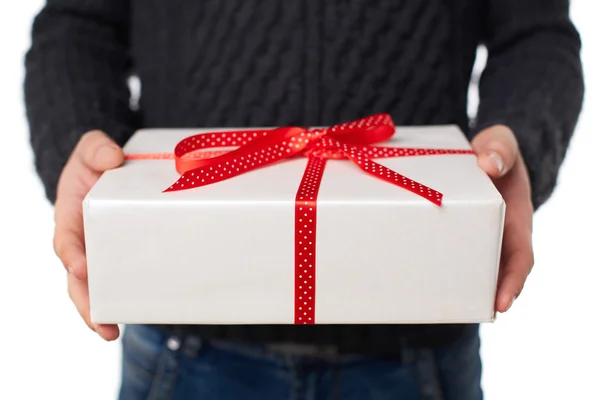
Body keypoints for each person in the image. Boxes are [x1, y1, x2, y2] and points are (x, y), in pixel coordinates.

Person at [24, 1, 583, 399]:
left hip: (419, 358)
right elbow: (77, 25)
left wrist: (520, 139)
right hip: (180, 355)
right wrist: (81, 139)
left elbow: (537, 33)